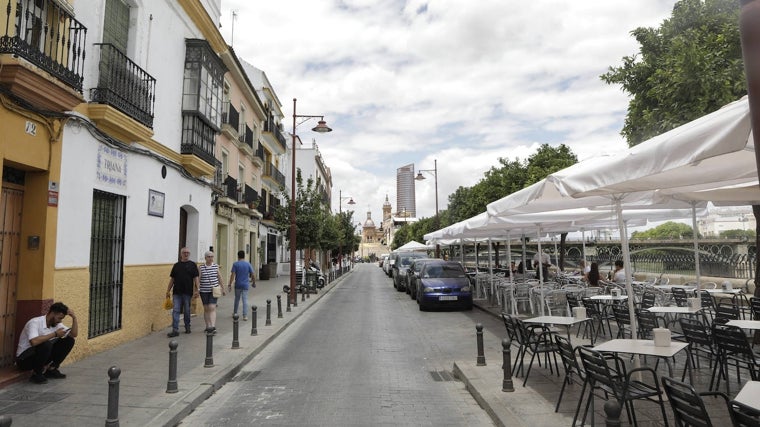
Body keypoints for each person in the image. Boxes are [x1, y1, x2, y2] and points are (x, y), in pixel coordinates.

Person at [16, 302, 78, 384]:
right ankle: (36, 374)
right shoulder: (35, 322)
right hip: (24, 360)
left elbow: (74, 334)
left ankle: (51, 369)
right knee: (46, 344)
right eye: (59, 318)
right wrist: (55, 334)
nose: (60, 321)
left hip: (39, 356)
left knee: (69, 340)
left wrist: (74, 318)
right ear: (52, 313)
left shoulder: (56, 324)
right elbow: (34, 342)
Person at [166, 247, 200, 337]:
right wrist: (168, 290)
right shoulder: (176, 265)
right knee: (176, 310)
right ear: (181, 254)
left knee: (187, 310)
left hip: (187, 292)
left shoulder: (192, 265)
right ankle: (175, 329)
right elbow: (172, 279)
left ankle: (187, 326)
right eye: (184, 252)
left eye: (187, 253)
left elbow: (196, 278)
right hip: (177, 292)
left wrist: (197, 289)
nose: (186, 254)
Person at [199, 250, 225, 334]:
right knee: (206, 308)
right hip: (203, 291)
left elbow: (220, 278)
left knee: (212, 307)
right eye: (208, 257)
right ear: (205, 258)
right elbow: (198, 279)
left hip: (214, 291)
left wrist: (223, 288)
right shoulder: (201, 267)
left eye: (212, 257)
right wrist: (196, 289)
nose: (210, 258)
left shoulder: (215, 266)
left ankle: (213, 327)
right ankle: (208, 326)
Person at [229, 250, 255, 321]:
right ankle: (245, 315)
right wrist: (254, 282)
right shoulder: (248, 264)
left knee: (237, 299)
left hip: (238, 284)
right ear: (244, 256)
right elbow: (252, 274)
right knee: (245, 300)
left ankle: (235, 313)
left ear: (238, 256)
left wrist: (229, 284)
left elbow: (233, 275)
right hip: (245, 285)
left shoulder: (235, 264)